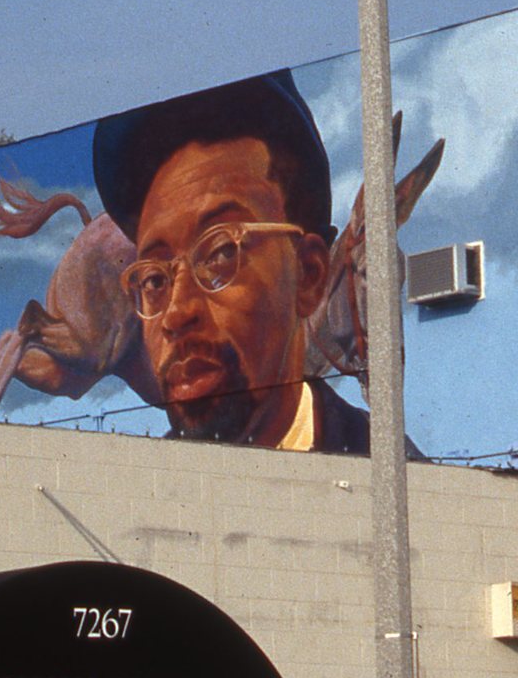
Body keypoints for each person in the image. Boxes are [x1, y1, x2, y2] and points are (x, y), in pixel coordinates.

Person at [91, 72, 370, 454]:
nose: (176, 314)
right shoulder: (133, 501)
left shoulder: (403, 490)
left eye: (221, 253)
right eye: (155, 280)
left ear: (308, 276)